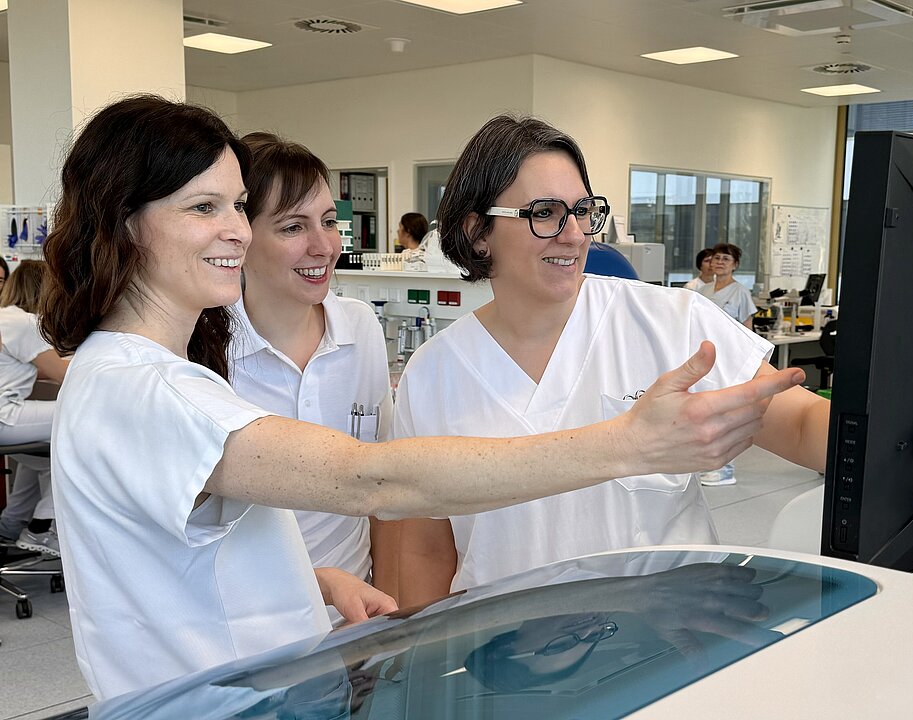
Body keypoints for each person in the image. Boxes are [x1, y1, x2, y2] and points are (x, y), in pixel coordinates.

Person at [39, 95, 803, 700]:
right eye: (203, 208)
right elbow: (373, 480)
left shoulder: (149, 375)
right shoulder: (143, 389)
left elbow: (178, 566)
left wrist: (313, 582)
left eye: (238, 205)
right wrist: (630, 442)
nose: (236, 231)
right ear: (124, 223)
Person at [386, 115, 829, 607]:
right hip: (504, 638)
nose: (575, 235)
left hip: (671, 630)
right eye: (545, 213)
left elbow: (801, 424)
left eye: (583, 211)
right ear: (477, 232)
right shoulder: (434, 373)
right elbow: (427, 547)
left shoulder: (669, 322)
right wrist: (424, 649)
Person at [230, 131, 393, 611]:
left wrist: (389, 608)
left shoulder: (359, 327)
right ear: (240, 236)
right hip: (250, 618)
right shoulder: (205, 347)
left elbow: (382, 485)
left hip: (353, 613)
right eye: (292, 227)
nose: (323, 246)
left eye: (328, 222)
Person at [0, 260, 69, 555]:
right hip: (5, 416)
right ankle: (41, 527)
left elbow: (34, 368)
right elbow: (63, 373)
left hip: (6, 416)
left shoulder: (5, 318)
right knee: (81, 421)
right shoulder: (25, 324)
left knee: (39, 457)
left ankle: (10, 525)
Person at [698, 243, 759, 485]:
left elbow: (747, 328)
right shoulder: (703, 290)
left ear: (735, 265)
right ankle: (707, 462)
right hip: (705, 358)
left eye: (726, 259)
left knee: (725, 415)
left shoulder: (740, 292)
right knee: (705, 412)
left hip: (730, 358)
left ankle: (725, 469)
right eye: (716, 258)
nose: (719, 262)